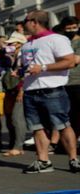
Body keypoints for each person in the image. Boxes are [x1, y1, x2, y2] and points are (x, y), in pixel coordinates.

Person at [18, 11, 78, 173]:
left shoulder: (57, 39)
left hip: (52, 90)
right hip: (30, 90)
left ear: (34, 22)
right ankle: (43, 161)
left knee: (63, 125)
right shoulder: (27, 44)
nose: (24, 24)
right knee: (37, 127)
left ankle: (73, 159)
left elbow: (70, 61)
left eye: (26, 21)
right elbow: (27, 66)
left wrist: (43, 67)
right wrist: (19, 71)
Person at [0, 32, 28, 157]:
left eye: (11, 43)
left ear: (20, 44)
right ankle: (15, 145)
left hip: (20, 90)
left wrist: (21, 91)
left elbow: (25, 74)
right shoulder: (15, 56)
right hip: (12, 90)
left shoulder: (24, 55)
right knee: (11, 118)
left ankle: (18, 146)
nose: (9, 45)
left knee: (17, 118)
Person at [60, 16, 80, 138]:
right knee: (69, 115)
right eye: (68, 28)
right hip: (63, 82)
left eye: (74, 27)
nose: (72, 30)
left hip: (78, 81)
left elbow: (76, 60)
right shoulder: (62, 42)